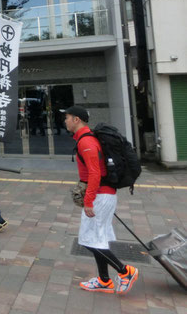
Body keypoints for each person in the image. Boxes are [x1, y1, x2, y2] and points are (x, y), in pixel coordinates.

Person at [65, 105, 139, 294]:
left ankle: (125, 272)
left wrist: (89, 201)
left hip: (100, 196)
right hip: (103, 195)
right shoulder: (86, 138)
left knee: (89, 240)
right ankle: (104, 281)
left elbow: (95, 173)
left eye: (67, 117)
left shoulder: (86, 142)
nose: (64, 121)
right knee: (97, 240)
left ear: (76, 120)